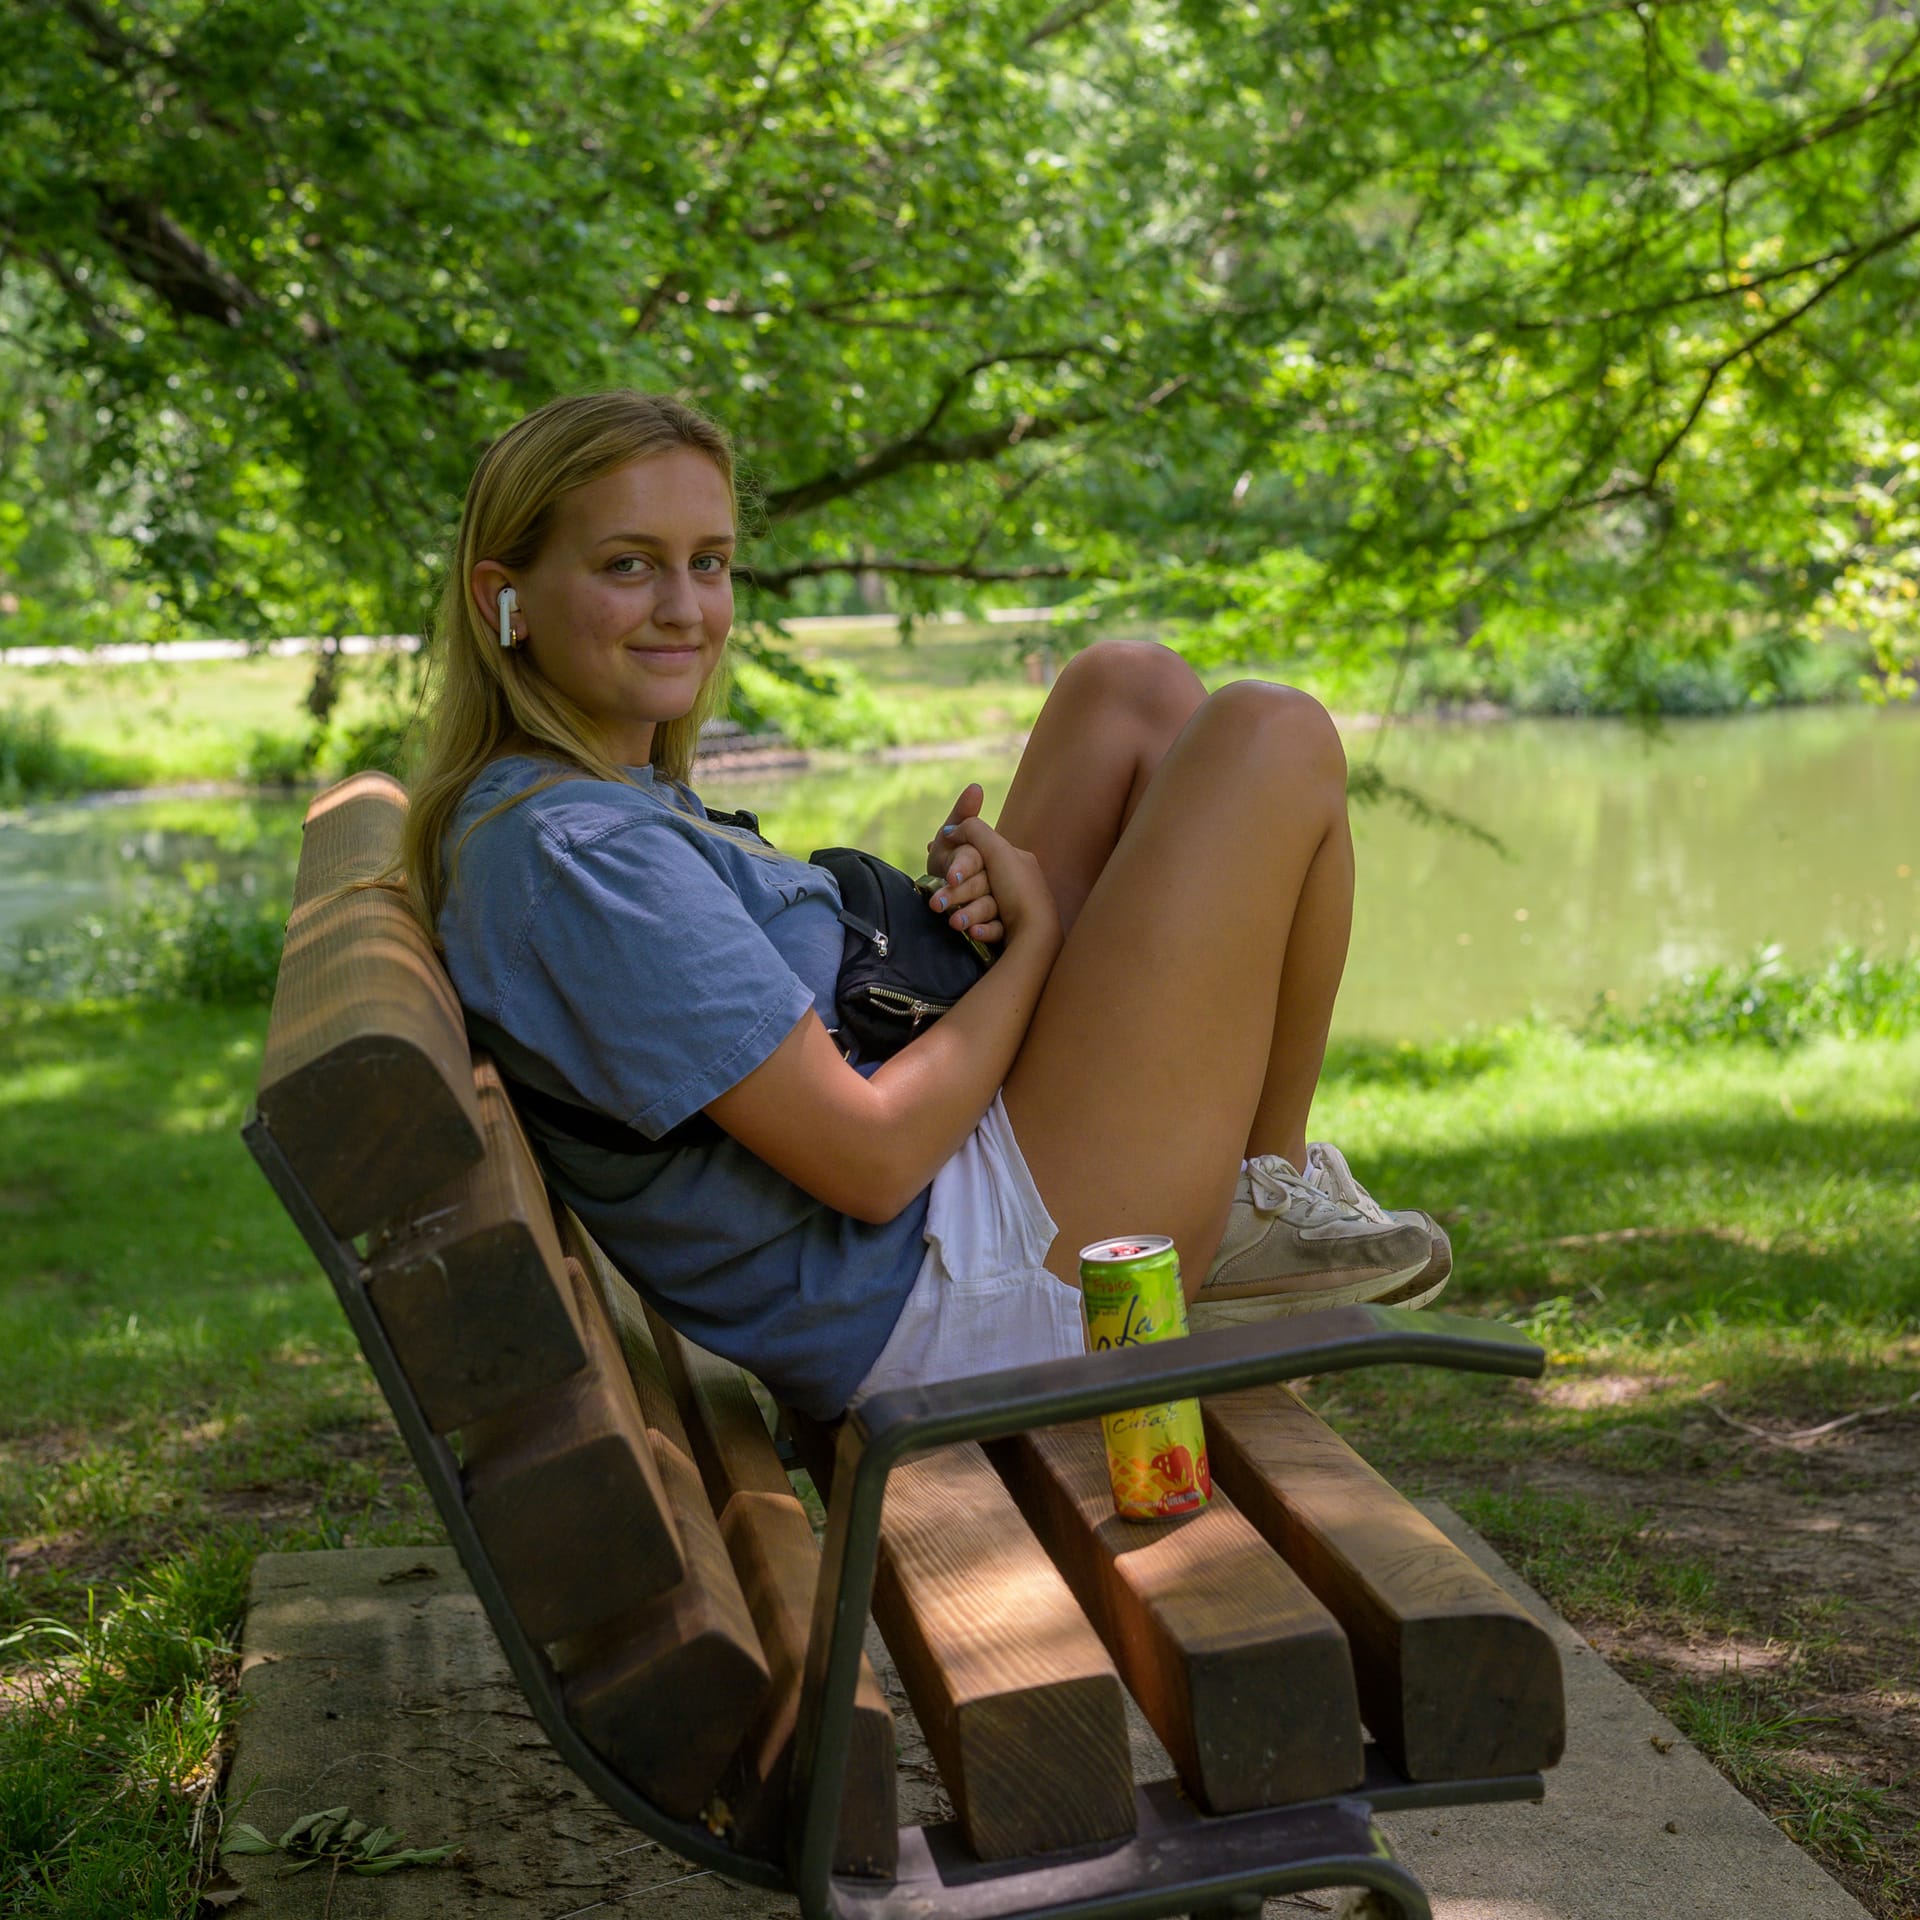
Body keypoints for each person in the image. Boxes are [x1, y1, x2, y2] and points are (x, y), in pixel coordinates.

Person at [403, 390, 1447, 1423]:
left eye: (708, 562)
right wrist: (1030, 944)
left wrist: (946, 920)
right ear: (509, 597)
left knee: (1127, 689)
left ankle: (1262, 1191)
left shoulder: (594, 804)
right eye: (628, 564)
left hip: (958, 1210)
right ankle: (1247, 1207)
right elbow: (871, 1157)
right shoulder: (581, 857)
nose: (685, 607)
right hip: (948, 1297)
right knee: (1271, 735)